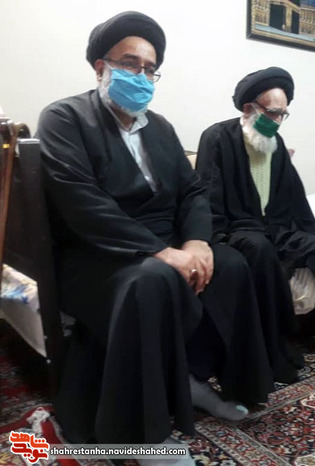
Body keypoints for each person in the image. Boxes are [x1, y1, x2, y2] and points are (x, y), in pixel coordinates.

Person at [37, 11, 274, 456]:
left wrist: (196, 242)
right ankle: (144, 437)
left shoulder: (160, 127)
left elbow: (193, 192)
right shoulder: (64, 118)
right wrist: (160, 252)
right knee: (154, 279)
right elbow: (82, 205)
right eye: (130, 64)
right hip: (98, 255)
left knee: (231, 263)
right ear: (100, 67)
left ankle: (193, 379)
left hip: (165, 246)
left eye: (150, 69)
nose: (141, 76)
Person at [195, 67, 315, 377]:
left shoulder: (275, 143)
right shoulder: (217, 137)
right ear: (250, 108)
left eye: (282, 115)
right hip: (236, 229)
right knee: (259, 249)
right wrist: (215, 238)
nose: (276, 121)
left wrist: (299, 233)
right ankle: (273, 345)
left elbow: (293, 197)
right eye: (272, 113)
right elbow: (208, 195)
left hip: (273, 227)